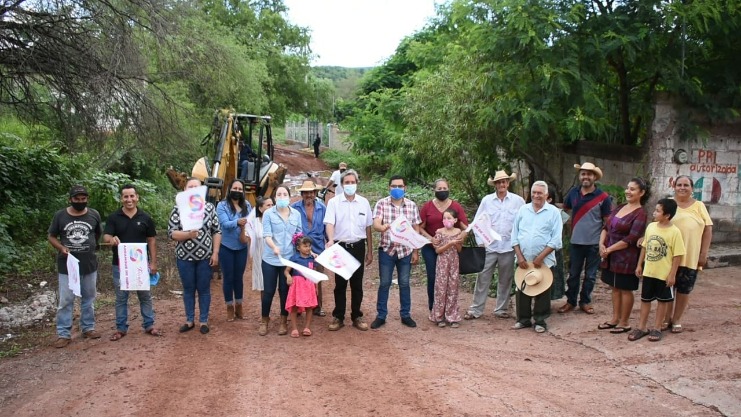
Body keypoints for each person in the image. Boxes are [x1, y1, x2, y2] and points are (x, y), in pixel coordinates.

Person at [464, 171, 525, 320]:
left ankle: (501, 309)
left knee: (506, 279)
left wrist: (520, 245)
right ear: (495, 185)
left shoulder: (518, 201)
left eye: (504, 182)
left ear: (508, 183)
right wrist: (481, 242)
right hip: (489, 246)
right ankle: (476, 309)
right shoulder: (487, 200)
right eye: (498, 182)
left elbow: (524, 222)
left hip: (509, 247)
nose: (501, 185)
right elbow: (477, 221)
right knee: (483, 278)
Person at [47, 185, 103, 348]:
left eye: (83, 199)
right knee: (66, 300)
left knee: (89, 298)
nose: (80, 202)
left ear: (87, 199)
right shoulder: (60, 216)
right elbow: (51, 236)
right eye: (76, 199)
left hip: (89, 264)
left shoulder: (94, 214)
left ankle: (88, 328)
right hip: (67, 266)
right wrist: (61, 247)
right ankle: (63, 334)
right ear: (70, 199)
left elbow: (97, 233)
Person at [103, 184, 160, 341]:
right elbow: (106, 237)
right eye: (126, 196)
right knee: (121, 298)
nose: (129, 199)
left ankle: (149, 324)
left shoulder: (145, 218)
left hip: (141, 265)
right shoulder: (114, 218)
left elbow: (152, 240)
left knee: (145, 296)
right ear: (121, 198)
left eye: (132, 196)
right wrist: (111, 239)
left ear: (137, 197)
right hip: (120, 265)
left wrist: (153, 262)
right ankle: (121, 328)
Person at [169, 178, 221, 334]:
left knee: (204, 289)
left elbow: (216, 231)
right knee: (188, 289)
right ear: (184, 190)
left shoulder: (209, 208)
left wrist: (215, 252)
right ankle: (189, 320)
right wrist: (188, 234)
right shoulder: (178, 209)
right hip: (184, 258)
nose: (192, 189)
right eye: (190, 187)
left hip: (205, 257)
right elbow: (172, 234)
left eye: (196, 187)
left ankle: (203, 320)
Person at [559, 162, 612, 315]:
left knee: (590, 275)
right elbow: (565, 210)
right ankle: (570, 302)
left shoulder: (603, 197)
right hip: (576, 242)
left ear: (594, 177)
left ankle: (585, 302)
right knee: (573, 274)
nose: (585, 177)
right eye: (583, 174)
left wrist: (604, 243)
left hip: (594, 243)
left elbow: (607, 221)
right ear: (580, 176)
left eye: (589, 174)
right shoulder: (573, 193)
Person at [324, 169, 374, 331]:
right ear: (342, 184)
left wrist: (370, 250)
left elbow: (368, 228)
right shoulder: (334, 203)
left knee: (357, 284)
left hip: (358, 246)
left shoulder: (364, 203)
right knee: (340, 284)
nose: (350, 185)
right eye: (347, 182)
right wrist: (331, 240)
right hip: (340, 246)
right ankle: (338, 316)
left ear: (357, 184)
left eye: (353, 182)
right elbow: (329, 223)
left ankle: (356, 315)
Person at [597, 178, 649, 334]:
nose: (628, 191)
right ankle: (615, 319)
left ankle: (625, 322)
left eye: (633, 189)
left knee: (625, 289)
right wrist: (601, 245)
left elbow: (631, 239)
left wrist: (609, 249)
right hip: (610, 255)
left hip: (627, 257)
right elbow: (606, 227)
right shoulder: (619, 207)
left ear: (642, 193)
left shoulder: (640, 213)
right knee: (614, 287)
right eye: (628, 188)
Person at [629, 199, 685, 342]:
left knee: (662, 301)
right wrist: (639, 265)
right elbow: (645, 247)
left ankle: (657, 327)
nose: (654, 213)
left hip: (664, 274)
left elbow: (678, 255)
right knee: (645, 300)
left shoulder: (675, 232)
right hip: (649, 272)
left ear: (667, 215)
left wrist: (672, 274)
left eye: (658, 211)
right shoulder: (651, 227)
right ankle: (642, 327)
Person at [371, 175, 423, 329]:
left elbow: (416, 228)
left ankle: (405, 315)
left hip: (405, 250)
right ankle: (381, 315)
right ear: (389, 188)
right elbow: (376, 224)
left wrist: (415, 251)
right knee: (385, 283)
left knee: (405, 283)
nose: (397, 189)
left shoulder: (411, 206)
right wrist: (382, 227)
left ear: (405, 188)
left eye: (400, 186)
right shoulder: (382, 203)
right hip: (387, 249)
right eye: (394, 186)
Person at [663, 175, 713, 333]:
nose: (682, 187)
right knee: (667, 288)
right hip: (668, 257)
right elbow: (657, 223)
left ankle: (676, 318)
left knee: (684, 290)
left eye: (686, 185)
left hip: (690, 256)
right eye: (679, 184)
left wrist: (703, 253)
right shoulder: (668, 204)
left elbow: (708, 229)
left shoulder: (699, 206)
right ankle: (665, 318)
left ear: (692, 188)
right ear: (674, 186)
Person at [511, 181, 563, 333]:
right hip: (523, 260)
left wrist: (541, 257)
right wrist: (519, 256)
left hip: (544, 261)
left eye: (540, 193)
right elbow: (514, 234)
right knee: (522, 288)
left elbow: (556, 239)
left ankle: (540, 320)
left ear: (546, 195)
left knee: (542, 290)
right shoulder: (523, 210)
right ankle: (523, 319)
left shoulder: (554, 212)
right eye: (534, 192)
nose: (536, 195)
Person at [419, 178, 469, 312]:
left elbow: (466, 228)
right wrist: (430, 238)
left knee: (450, 279)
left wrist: (460, 237)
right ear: (434, 190)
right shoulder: (427, 207)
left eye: (444, 188)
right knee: (433, 277)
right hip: (430, 248)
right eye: (439, 189)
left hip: (451, 249)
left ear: (449, 189)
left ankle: (449, 309)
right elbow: (420, 227)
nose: (442, 191)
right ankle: (434, 309)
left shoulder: (456, 207)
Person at [260, 185, 302, 336]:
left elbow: (299, 235)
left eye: (285, 194)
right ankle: (264, 320)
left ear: (289, 197)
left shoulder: (296, 214)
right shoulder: (268, 214)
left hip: (288, 260)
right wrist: (274, 247)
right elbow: (267, 235)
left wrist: (306, 251)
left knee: (284, 291)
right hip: (271, 259)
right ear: (275, 197)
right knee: (268, 291)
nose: (282, 196)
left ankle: (284, 321)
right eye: (279, 194)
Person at [291, 180, 327, 317]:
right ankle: (298, 307)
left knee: (317, 279)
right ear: (302, 194)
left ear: (315, 193)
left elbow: (327, 227)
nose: (308, 195)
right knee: (299, 278)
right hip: (300, 250)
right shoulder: (294, 208)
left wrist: (330, 243)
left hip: (318, 249)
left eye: (311, 192)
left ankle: (317, 306)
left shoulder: (322, 208)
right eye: (305, 192)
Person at [216, 179, 250, 322]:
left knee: (239, 278)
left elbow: (251, 222)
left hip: (242, 247)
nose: (237, 191)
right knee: (228, 278)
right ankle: (229, 306)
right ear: (230, 189)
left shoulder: (247, 205)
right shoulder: (222, 205)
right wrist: (238, 222)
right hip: (226, 247)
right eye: (234, 188)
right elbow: (224, 224)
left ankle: (239, 305)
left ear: (243, 191)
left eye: (240, 189)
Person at [429, 208, 464, 327]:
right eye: (444, 218)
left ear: (455, 220)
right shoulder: (439, 231)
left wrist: (458, 242)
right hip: (442, 262)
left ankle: (452, 316)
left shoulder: (458, 231)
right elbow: (438, 250)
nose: (446, 220)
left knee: (453, 288)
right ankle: (438, 316)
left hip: (454, 262)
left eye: (449, 218)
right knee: (441, 288)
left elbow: (459, 250)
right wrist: (449, 243)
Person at [284, 235, 319, 337]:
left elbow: (314, 273)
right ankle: (294, 328)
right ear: (298, 248)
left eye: (309, 246)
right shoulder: (294, 258)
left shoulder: (312, 259)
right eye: (305, 246)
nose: (308, 248)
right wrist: (288, 276)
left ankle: (307, 327)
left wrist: (316, 287)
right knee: (294, 306)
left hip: (309, 285)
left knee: (309, 307)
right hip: (297, 286)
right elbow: (286, 270)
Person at [246, 196, 273, 293]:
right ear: (260, 208)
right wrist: (250, 258)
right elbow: (250, 240)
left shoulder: (276, 221)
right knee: (263, 287)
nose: (271, 207)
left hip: (273, 257)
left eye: (272, 205)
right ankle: (264, 308)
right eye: (268, 205)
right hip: (259, 257)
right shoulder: (254, 222)